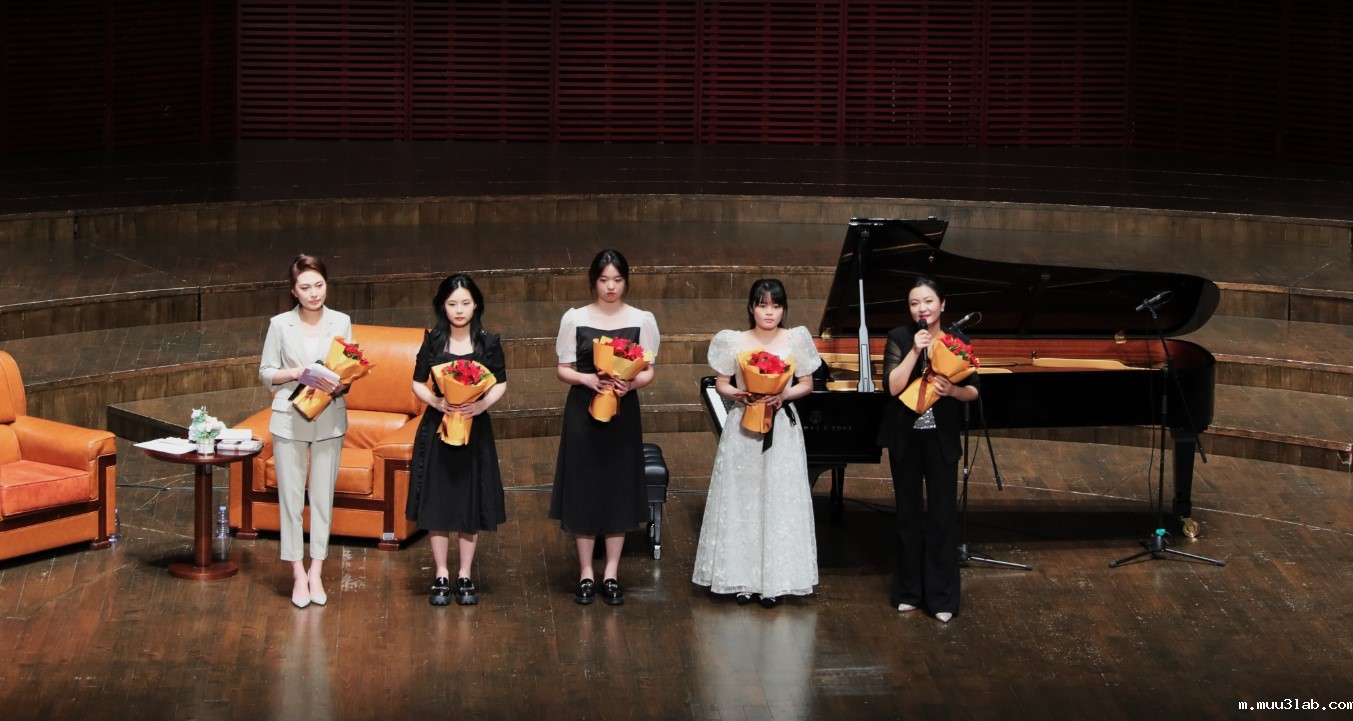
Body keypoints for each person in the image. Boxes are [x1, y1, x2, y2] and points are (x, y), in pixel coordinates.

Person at [692, 278, 822, 608]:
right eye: (763, 305)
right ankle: (742, 580)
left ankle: (774, 582)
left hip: (781, 428)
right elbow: (721, 383)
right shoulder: (735, 341)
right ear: (752, 308)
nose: (769, 312)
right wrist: (739, 393)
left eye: (776, 306)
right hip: (744, 427)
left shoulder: (795, 339)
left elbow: (806, 383)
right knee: (742, 499)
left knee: (779, 498)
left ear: (783, 309)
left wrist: (783, 394)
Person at [549, 249, 660, 606]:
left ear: (626, 281)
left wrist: (632, 384)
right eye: (604, 280)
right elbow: (563, 368)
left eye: (617, 280)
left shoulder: (641, 320)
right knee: (584, 486)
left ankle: (611, 573)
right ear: (593, 281)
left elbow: (648, 371)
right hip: (583, 411)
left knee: (618, 487)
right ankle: (586, 572)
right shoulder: (575, 318)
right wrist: (586, 379)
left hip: (623, 413)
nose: (611, 287)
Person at [877, 277, 981, 623]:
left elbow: (974, 391)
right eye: (914, 303)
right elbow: (892, 387)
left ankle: (942, 598)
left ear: (942, 304)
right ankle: (908, 591)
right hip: (906, 438)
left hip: (941, 439)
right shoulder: (899, 337)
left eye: (928, 301)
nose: (922, 308)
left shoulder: (957, 340)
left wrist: (952, 391)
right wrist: (914, 351)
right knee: (908, 516)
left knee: (941, 517)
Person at [406, 274, 508, 606]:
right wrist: (436, 402)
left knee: (469, 500)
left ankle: (464, 573)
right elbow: (418, 382)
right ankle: (441, 573)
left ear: (476, 304)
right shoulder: (433, 341)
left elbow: (501, 382)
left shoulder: (488, 342)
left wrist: (481, 404)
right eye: (452, 304)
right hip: (438, 428)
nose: (459, 310)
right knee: (438, 501)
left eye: (465, 303)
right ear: (442, 306)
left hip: (474, 431)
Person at [259, 254, 352, 609]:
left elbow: (348, 369)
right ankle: (297, 572)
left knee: (323, 499)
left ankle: (317, 571)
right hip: (289, 417)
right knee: (292, 500)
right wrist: (297, 372)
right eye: (306, 287)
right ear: (294, 291)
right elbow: (266, 372)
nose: (314, 293)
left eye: (319, 285)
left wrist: (341, 384)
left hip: (329, 417)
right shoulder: (280, 325)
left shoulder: (341, 321)